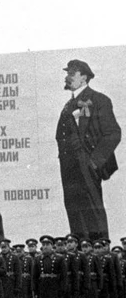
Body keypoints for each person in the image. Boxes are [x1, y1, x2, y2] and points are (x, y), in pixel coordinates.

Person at [55, 59, 121, 240]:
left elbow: (113, 133)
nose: (67, 77)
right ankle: (80, 250)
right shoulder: (70, 104)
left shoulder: (99, 100)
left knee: (92, 210)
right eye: (67, 74)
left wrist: (94, 162)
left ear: (83, 77)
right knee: (74, 208)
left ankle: (99, 250)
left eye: (71, 74)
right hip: (69, 166)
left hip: (87, 164)